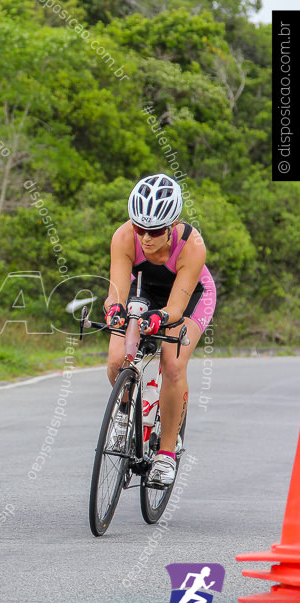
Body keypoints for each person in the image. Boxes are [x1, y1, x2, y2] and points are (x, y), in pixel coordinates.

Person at [102, 174, 216, 486]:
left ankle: (166, 454)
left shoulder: (192, 246)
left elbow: (176, 310)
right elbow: (117, 291)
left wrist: (160, 318)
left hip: (188, 297)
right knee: (116, 360)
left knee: (172, 363)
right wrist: (114, 308)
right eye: (140, 228)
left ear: (172, 224)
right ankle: (126, 413)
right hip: (145, 292)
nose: (146, 238)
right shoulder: (124, 237)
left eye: (154, 231)